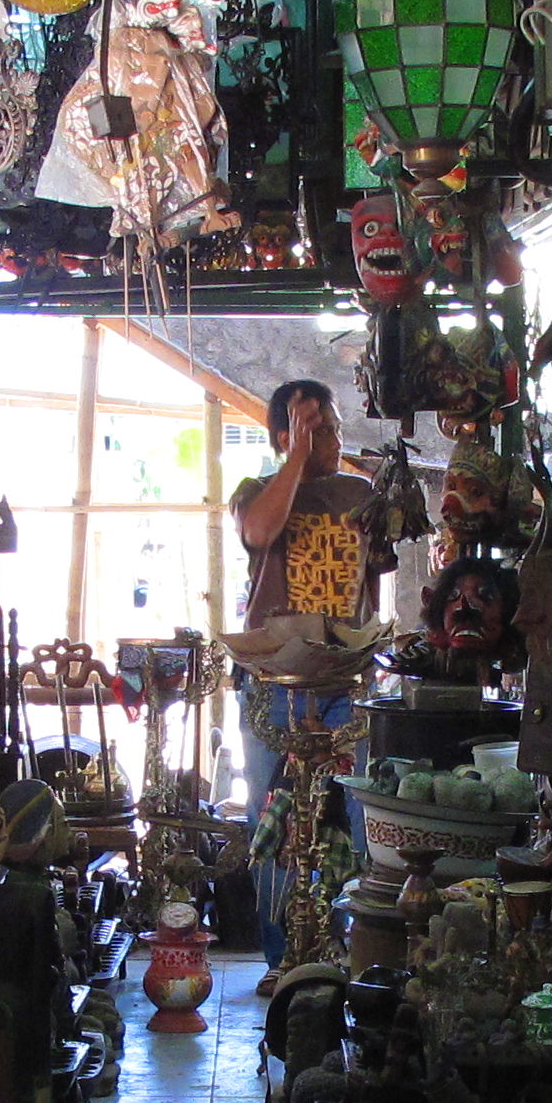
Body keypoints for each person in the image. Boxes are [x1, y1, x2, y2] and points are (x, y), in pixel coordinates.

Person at [227, 378, 383, 954]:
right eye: (319, 430)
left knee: (359, 812)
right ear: (282, 437)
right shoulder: (255, 491)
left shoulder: (361, 494)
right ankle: (280, 955)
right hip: (273, 680)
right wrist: (298, 454)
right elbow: (262, 532)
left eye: (335, 427)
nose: (333, 440)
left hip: (346, 681)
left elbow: (372, 584)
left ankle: (352, 947)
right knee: (271, 819)